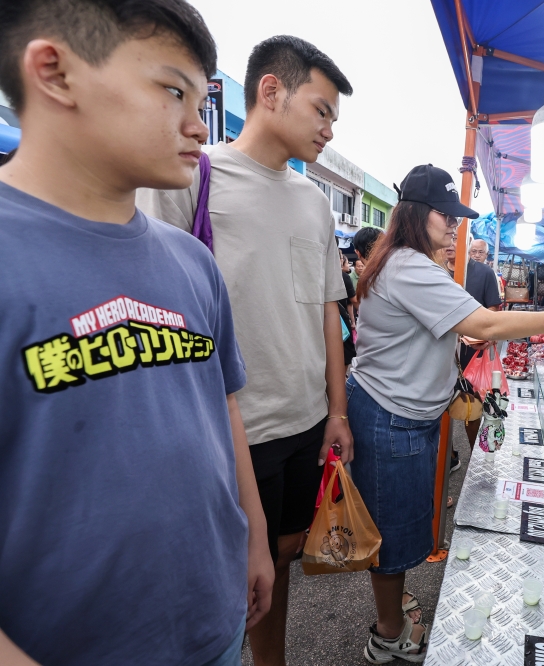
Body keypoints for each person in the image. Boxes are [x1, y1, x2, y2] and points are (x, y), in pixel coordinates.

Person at [0, 2, 272, 665]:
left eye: (202, 99)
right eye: (172, 90)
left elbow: (222, 403)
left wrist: (254, 534)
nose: (197, 125)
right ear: (55, 72)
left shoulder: (191, 261)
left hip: (216, 625)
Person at [137, 34, 353, 666]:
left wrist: (336, 413)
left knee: (281, 554)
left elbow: (327, 311)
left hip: (304, 420)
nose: (328, 130)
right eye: (321, 110)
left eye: (334, 119)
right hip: (230, 425)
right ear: (270, 91)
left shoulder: (315, 203)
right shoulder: (193, 176)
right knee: (224, 567)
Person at [349, 164, 544, 663]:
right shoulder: (409, 266)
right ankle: (387, 636)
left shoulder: (408, 263)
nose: (453, 225)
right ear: (415, 214)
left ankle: (395, 609)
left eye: (456, 216)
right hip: (390, 417)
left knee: (400, 525)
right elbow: (487, 321)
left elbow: (455, 327)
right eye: (445, 215)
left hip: (403, 414)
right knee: (391, 532)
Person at [444, 238, 502, 455]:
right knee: (438, 406)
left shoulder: (484, 273)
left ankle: (477, 456)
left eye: (456, 239)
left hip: (472, 352)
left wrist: (484, 334)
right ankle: (449, 457)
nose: (450, 243)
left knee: (472, 406)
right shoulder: (435, 271)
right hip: (440, 352)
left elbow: (493, 309)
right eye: (447, 238)